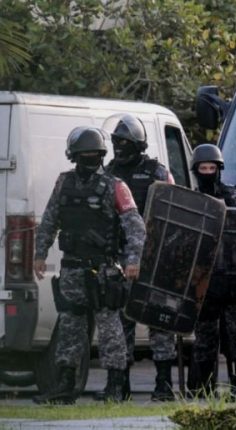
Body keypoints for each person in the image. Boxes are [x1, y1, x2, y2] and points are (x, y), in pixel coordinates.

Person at [32, 126, 145, 404]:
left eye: (94, 154)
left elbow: (135, 227)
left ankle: (116, 387)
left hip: (103, 271)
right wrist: (39, 253)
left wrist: (133, 260)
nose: (89, 159)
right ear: (74, 156)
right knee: (70, 326)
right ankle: (65, 386)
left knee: (109, 329)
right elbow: (49, 220)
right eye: (85, 155)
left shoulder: (115, 185)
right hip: (71, 269)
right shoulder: (63, 183)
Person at [103, 114, 177, 402]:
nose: (119, 146)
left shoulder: (157, 172)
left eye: (124, 142)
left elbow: (173, 209)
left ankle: (163, 384)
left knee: (159, 323)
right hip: (120, 258)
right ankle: (120, 385)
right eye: (116, 141)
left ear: (138, 143)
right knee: (123, 324)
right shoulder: (108, 173)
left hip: (153, 258)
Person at [187, 144, 236, 396]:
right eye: (203, 168)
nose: (207, 172)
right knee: (205, 340)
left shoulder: (235, 198)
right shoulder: (191, 200)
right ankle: (202, 389)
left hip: (233, 278)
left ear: (219, 169)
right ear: (196, 170)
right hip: (204, 281)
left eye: (212, 168)